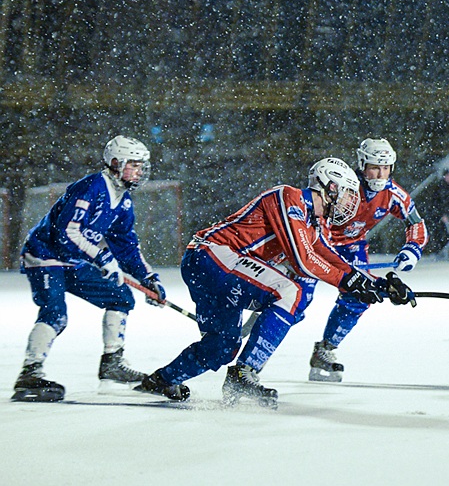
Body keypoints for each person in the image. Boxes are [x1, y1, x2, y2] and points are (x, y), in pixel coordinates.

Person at [135, 157, 415, 407]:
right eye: (347, 194)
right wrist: (349, 280)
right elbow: (305, 260)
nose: (349, 203)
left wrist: (377, 284)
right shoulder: (289, 197)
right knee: (289, 292)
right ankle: (244, 372)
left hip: (214, 267)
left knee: (222, 347)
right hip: (211, 255)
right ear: (330, 186)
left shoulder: (314, 223)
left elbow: (330, 257)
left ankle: (161, 380)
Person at [12, 135, 167, 402]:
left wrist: (148, 277)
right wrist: (102, 258)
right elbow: (67, 233)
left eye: (142, 166)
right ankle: (30, 372)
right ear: (116, 163)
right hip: (46, 255)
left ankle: (112, 363)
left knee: (120, 297)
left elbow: (127, 246)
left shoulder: (124, 201)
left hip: (73, 260)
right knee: (55, 314)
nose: (140, 172)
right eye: (134, 165)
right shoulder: (91, 187)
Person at [299, 138, 428, 382]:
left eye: (386, 168)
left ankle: (325, 350)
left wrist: (413, 248)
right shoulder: (344, 185)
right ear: (361, 164)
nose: (380, 174)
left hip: (353, 246)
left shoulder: (393, 194)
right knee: (298, 300)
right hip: (318, 242)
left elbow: (416, 223)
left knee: (361, 296)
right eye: (374, 167)